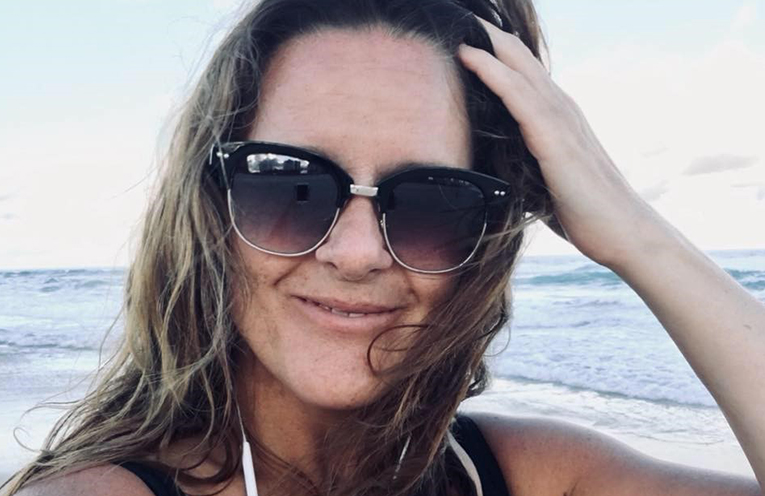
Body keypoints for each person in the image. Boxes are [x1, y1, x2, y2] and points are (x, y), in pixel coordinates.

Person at [4, 0, 764, 495]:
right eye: (289, 183)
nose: (358, 251)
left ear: (485, 242)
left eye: (433, 200)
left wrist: (637, 236)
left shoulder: (527, 475)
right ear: (207, 211)